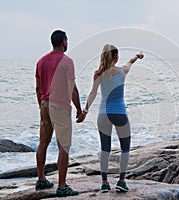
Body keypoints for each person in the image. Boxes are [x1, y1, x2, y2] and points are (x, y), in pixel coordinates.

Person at [77, 44, 144, 193]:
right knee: (125, 148)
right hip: (119, 113)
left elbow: (92, 93)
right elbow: (129, 63)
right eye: (117, 55)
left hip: (103, 114)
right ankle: (121, 181)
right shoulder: (122, 71)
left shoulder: (98, 73)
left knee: (104, 149)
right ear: (115, 57)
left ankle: (104, 183)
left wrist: (85, 111)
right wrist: (137, 56)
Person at [35, 30, 82, 197]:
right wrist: (79, 109)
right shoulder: (67, 61)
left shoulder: (41, 61)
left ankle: (41, 179)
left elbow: (38, 88)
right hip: (60, 106)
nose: (67, 43)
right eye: (67, 40)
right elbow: (73, 90)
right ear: (64, 42)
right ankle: (62, 186)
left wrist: (41, 104)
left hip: (45, 104)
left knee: (43, 142)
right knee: (63, 146)